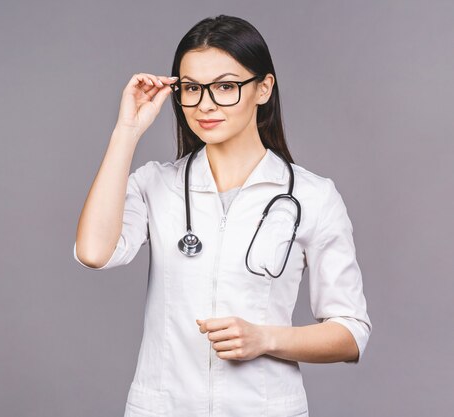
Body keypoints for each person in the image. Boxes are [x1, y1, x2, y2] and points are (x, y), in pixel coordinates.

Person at [73, 14, 372, 417]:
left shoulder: (312, 197)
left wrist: (265, 339)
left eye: (226, 87)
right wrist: (126, 132)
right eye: (192, 89)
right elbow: (94, 252)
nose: (205, 105)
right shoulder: (156, 185)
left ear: (263, 88)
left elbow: (351, 332)